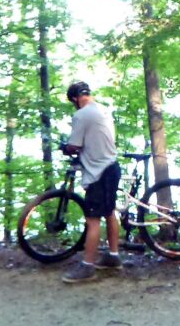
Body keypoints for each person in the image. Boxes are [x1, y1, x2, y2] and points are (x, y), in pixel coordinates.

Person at [59, 81, 125, 283]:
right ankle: (113, 256)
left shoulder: (82, 114)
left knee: (93, 219)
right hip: (112, 167)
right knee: (109, 212)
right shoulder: (104, 110)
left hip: (98, 173)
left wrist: (65, 148)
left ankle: (87, 266)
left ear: (74, 99)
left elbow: (74, 145)